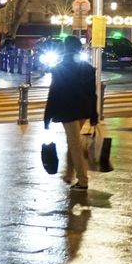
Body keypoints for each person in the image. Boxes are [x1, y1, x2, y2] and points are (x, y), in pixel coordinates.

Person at [44, 36, 98, 192]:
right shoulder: (87, 68)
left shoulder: (60, 68)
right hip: (83, 109)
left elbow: (54, 93)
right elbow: (92, 94)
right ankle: (69, 173)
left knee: (74, 143)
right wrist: (94, 114)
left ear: (65, 48)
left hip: (67, 110)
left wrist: (47, 116)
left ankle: (82, 180)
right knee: (74, 142)